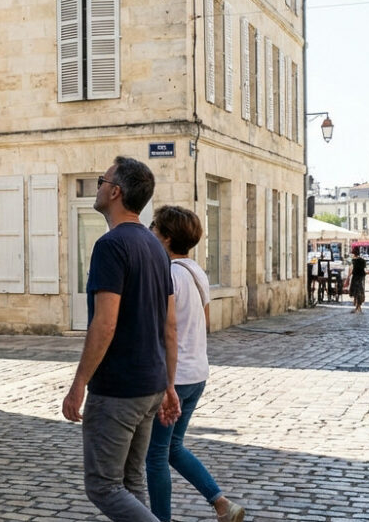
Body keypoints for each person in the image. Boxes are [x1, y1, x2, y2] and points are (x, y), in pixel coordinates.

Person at [62, 157, 179, 522]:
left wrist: (79, 383)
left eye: (101, 180)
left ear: (115, 192)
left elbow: (104, 324)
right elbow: (170, 325)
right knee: (131, 481)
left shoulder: (111, 246)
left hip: (119, 388)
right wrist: (169, 385)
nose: (98, 186)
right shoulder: (155, 248)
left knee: (103, 486)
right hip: (150, 385)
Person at [144, 206, 246, 522]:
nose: (150, 232)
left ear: (166, 237)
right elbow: (204, 321)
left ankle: (160, 518)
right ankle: (221, 504)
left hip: (175, 376)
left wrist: (166, 383)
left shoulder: (169, 275)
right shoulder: (195, 271)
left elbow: (167, 329)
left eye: (154, 228)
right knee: (173, 447)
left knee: (156, 454)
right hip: (197, 372)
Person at [348, 245, 366, 313]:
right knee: (360, 291)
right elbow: (364, 269)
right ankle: (358, 307)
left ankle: (357, 307)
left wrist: (348, 278)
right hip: (361, 278)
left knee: (356, 292)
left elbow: (351, 270)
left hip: (355, 277)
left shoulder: (353, 261)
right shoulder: (363, 260)